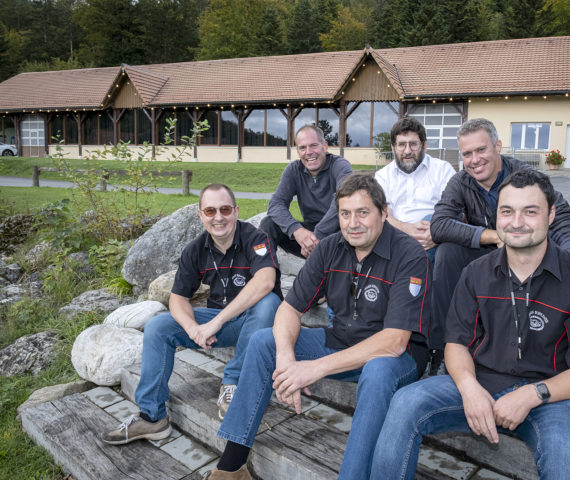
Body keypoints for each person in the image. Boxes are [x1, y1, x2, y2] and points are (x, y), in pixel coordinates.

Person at [371, 169, 570, 479]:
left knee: (566, 461)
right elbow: (457, 343)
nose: (516, 222)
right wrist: (469, 387)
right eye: (507, 211)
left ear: (551, 215)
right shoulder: (476, 272)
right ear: (496, 217)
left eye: (530, 211)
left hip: (555, 398)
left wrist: (531, 394)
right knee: (404, 403)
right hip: (481, 383)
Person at [203, 173, 430, 480]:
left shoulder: (409, 253)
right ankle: (232, 467)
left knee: (377, 371)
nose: (353, 223)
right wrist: (286, 360)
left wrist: (313, 368)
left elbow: (394, 342)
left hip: (395, 357)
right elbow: (289, 309)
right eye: (345, 214)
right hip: (341, 340)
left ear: (384, 212)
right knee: (263, 342)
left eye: (363, 212)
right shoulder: (330, 248)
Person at [430, 118, 570, 451]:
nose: (474, 160)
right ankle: (445, 353)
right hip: (497, 256)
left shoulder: (526, 178)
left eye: (481, 150)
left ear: (498, 147)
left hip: (550, 242)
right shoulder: (461, 182)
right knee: (447, 254)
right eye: (466, 153)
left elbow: (564, 223)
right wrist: (494, 236)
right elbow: (439, 225)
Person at [102, 184, 283, 445]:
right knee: (158, 326)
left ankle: (233, 384)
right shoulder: (196, 249)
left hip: (257, 324)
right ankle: (152, 417)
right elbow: (177, 298)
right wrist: (192, 328)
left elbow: (266, 281)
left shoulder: (256, 238)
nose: (218, 217)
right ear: (201, 215)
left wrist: (215, 323)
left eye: (225, 209)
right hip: (222, 324)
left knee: (269, 301)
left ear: (236, 211)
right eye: (210, 210)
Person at [374, 116, 455, 373]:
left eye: (413, 144)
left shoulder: (442, 170)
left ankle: (431, 343)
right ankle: (423, 343)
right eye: (401, 145)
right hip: (398, 236)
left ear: (424, 145)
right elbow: (380, 214)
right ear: (394, 147)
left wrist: (436, 230)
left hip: (435, 235)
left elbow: (454, 208)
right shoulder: (382, 176)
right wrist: (408, 230)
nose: (407, 150)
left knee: (439, 257)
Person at [260, 124, 353, 258]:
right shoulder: (293, 170)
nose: (308, 152)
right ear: (298, 151)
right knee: (269, 224)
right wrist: (297, 230)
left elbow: (342, 200)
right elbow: (276, 204)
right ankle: (264, 272)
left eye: (313, 145)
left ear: (325, 146)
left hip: (337, 233)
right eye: (302, 147)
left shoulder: (340, 166)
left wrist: (317, 237)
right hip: (308, 235)